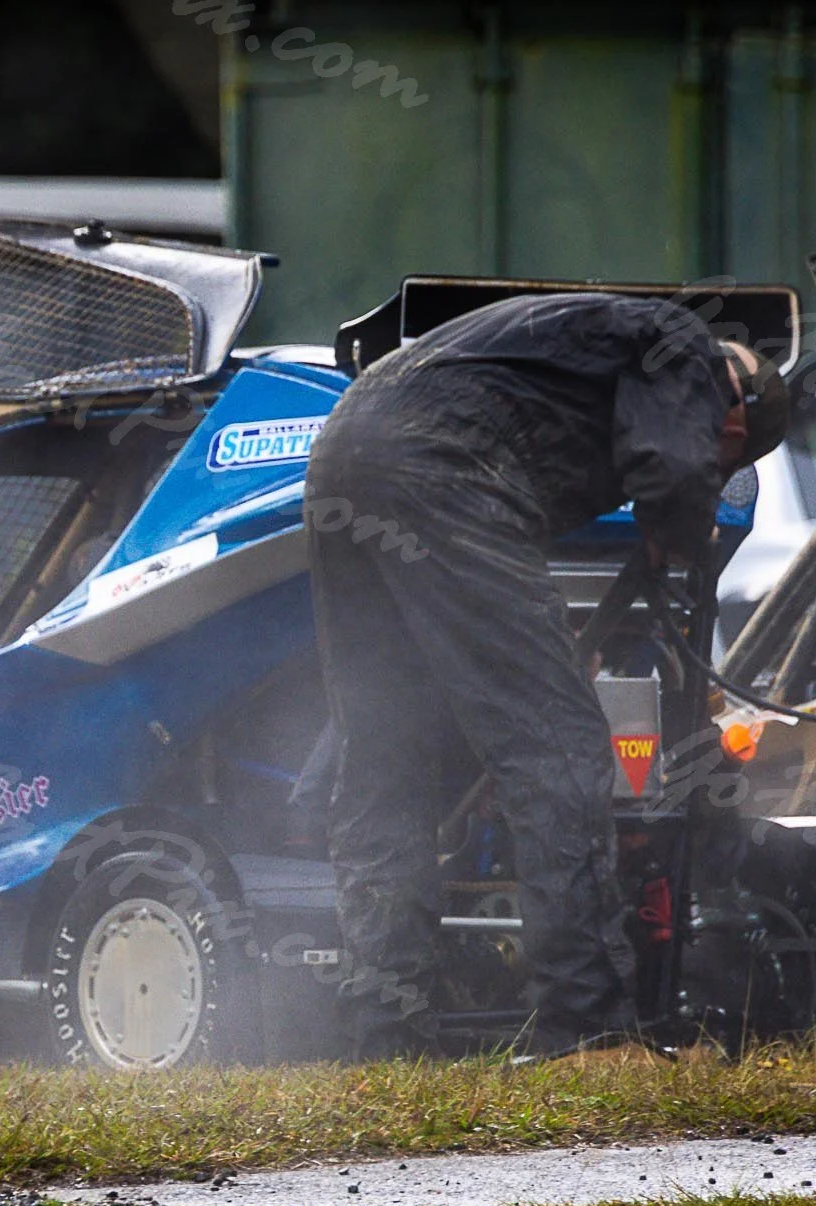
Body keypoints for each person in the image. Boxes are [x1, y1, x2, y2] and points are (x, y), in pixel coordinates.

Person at [304, 292, 788, 1061]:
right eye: (729, 456)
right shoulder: (692, 350)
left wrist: (543, 638)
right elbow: (673, 470)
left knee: (384, 757)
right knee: (557, 749)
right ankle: (588, 1026)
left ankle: (385, 1038)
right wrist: (678, 531)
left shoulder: (581, 347)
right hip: (442, 460)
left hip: (344, 454)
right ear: (735, 419)